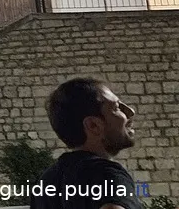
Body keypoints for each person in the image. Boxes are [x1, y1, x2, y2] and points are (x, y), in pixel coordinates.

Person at [30, 78, 140, 209]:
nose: (130, 112)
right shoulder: (107, 175)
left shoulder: (45, 183)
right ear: (93, 125)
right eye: (116, 108)